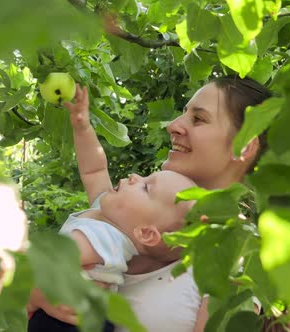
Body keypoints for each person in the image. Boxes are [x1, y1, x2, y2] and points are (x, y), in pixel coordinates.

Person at [29, 75, 273, 332]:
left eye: (198, 119)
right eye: (183, 113)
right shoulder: (131, 211)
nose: (173, 125)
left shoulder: (238, 255)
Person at [28, 85, 197, 332]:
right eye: (145, 177)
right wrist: (82, 127)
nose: (135, 177)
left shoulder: (108, 237)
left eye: (146, 188)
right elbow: (94, 169)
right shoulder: (107, 214)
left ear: (145, 233)